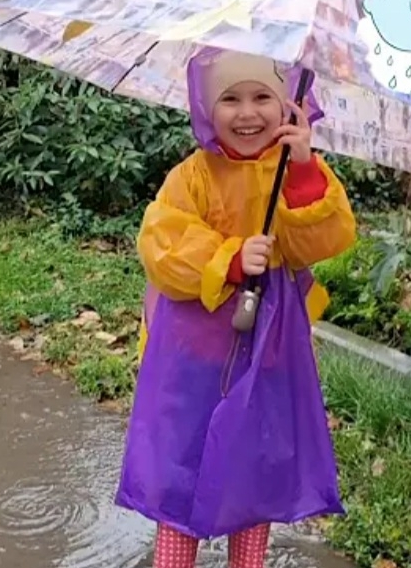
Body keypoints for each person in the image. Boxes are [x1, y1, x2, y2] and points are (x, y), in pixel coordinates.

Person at [115, 48, 357, 568]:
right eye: (230, 99)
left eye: (262, 97)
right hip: (192, 353)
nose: (247, 113)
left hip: (267, 348)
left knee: (254, 461)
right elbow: (161, 243)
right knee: (182, 460)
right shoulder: (193, 175)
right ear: (207, 106)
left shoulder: (292, 170)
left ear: (288, 105)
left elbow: (325, 239)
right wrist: (228, 258)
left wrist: (304, 171)